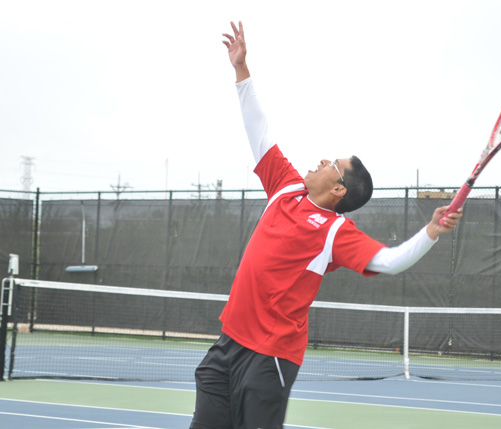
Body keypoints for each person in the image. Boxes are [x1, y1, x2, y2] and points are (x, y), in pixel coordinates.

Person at [189, 21, 462, 429]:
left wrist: (431, 232)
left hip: (270, 358)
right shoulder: (286, 187)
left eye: (331, 164)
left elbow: (388, 261)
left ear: (337, 189)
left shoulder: (334, 232)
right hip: (228, 345)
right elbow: (258, 129)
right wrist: (241, 70)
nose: (320, 160)